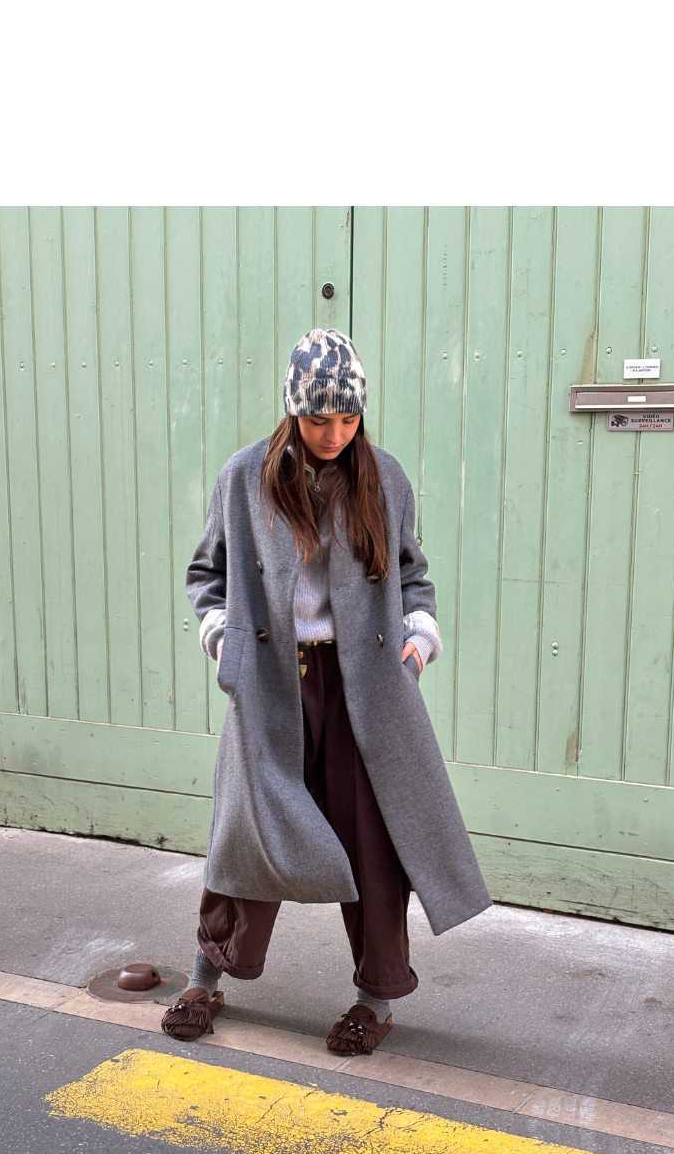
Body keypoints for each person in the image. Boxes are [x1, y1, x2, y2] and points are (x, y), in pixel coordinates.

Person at [162, 328, 491, 1055]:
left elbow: (412, 574)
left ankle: (376, 1000)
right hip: (271, 682)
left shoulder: (384, 478)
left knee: (375, 844)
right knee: (248, 834)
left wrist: (418, 638)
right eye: (318, 418)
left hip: (363, 688)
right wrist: (223, 641)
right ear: (293, 410)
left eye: (347, 417)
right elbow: (207, 575)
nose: (334, 433)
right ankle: (205, 979)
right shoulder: (245, 477)